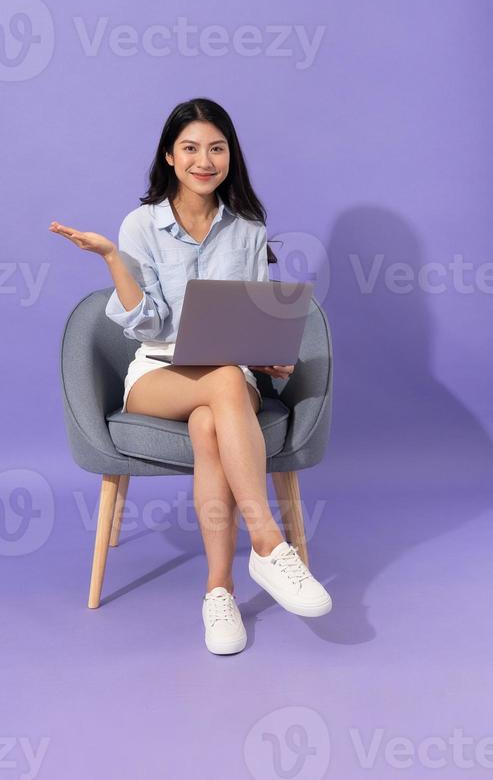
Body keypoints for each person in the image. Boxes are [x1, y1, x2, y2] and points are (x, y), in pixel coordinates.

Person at [49, 97, 331, 655]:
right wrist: (112, 259)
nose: (206, 160)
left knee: (213, 416)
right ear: (170, 158)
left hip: (229, 373)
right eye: (191, 149)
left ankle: (219, 593)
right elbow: (146, 323)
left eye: (217, 148)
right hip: (158, 371)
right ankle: (269, 544)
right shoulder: (140, 225)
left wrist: (269, 357)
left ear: (231, 156)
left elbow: (250, 312)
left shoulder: (248, 227)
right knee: (223, 380)